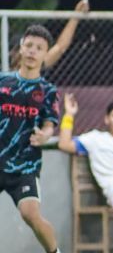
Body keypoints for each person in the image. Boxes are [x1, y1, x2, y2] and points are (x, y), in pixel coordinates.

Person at [0, 25, 62, 253]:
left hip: (25, 164)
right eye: (29, 46)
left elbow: (49, 125)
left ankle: (55, 251)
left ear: (46, 54)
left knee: (30, 213)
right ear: (20, 49)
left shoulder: (48, 91)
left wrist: (45, 135)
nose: (32, 51)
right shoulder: (3, 82)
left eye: (39, 48)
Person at [10, 0, 91, 70]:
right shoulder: (5, 75)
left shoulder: (37, 65)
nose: (30, 52)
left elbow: (60, 47)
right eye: (26, 47)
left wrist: (75, 16)